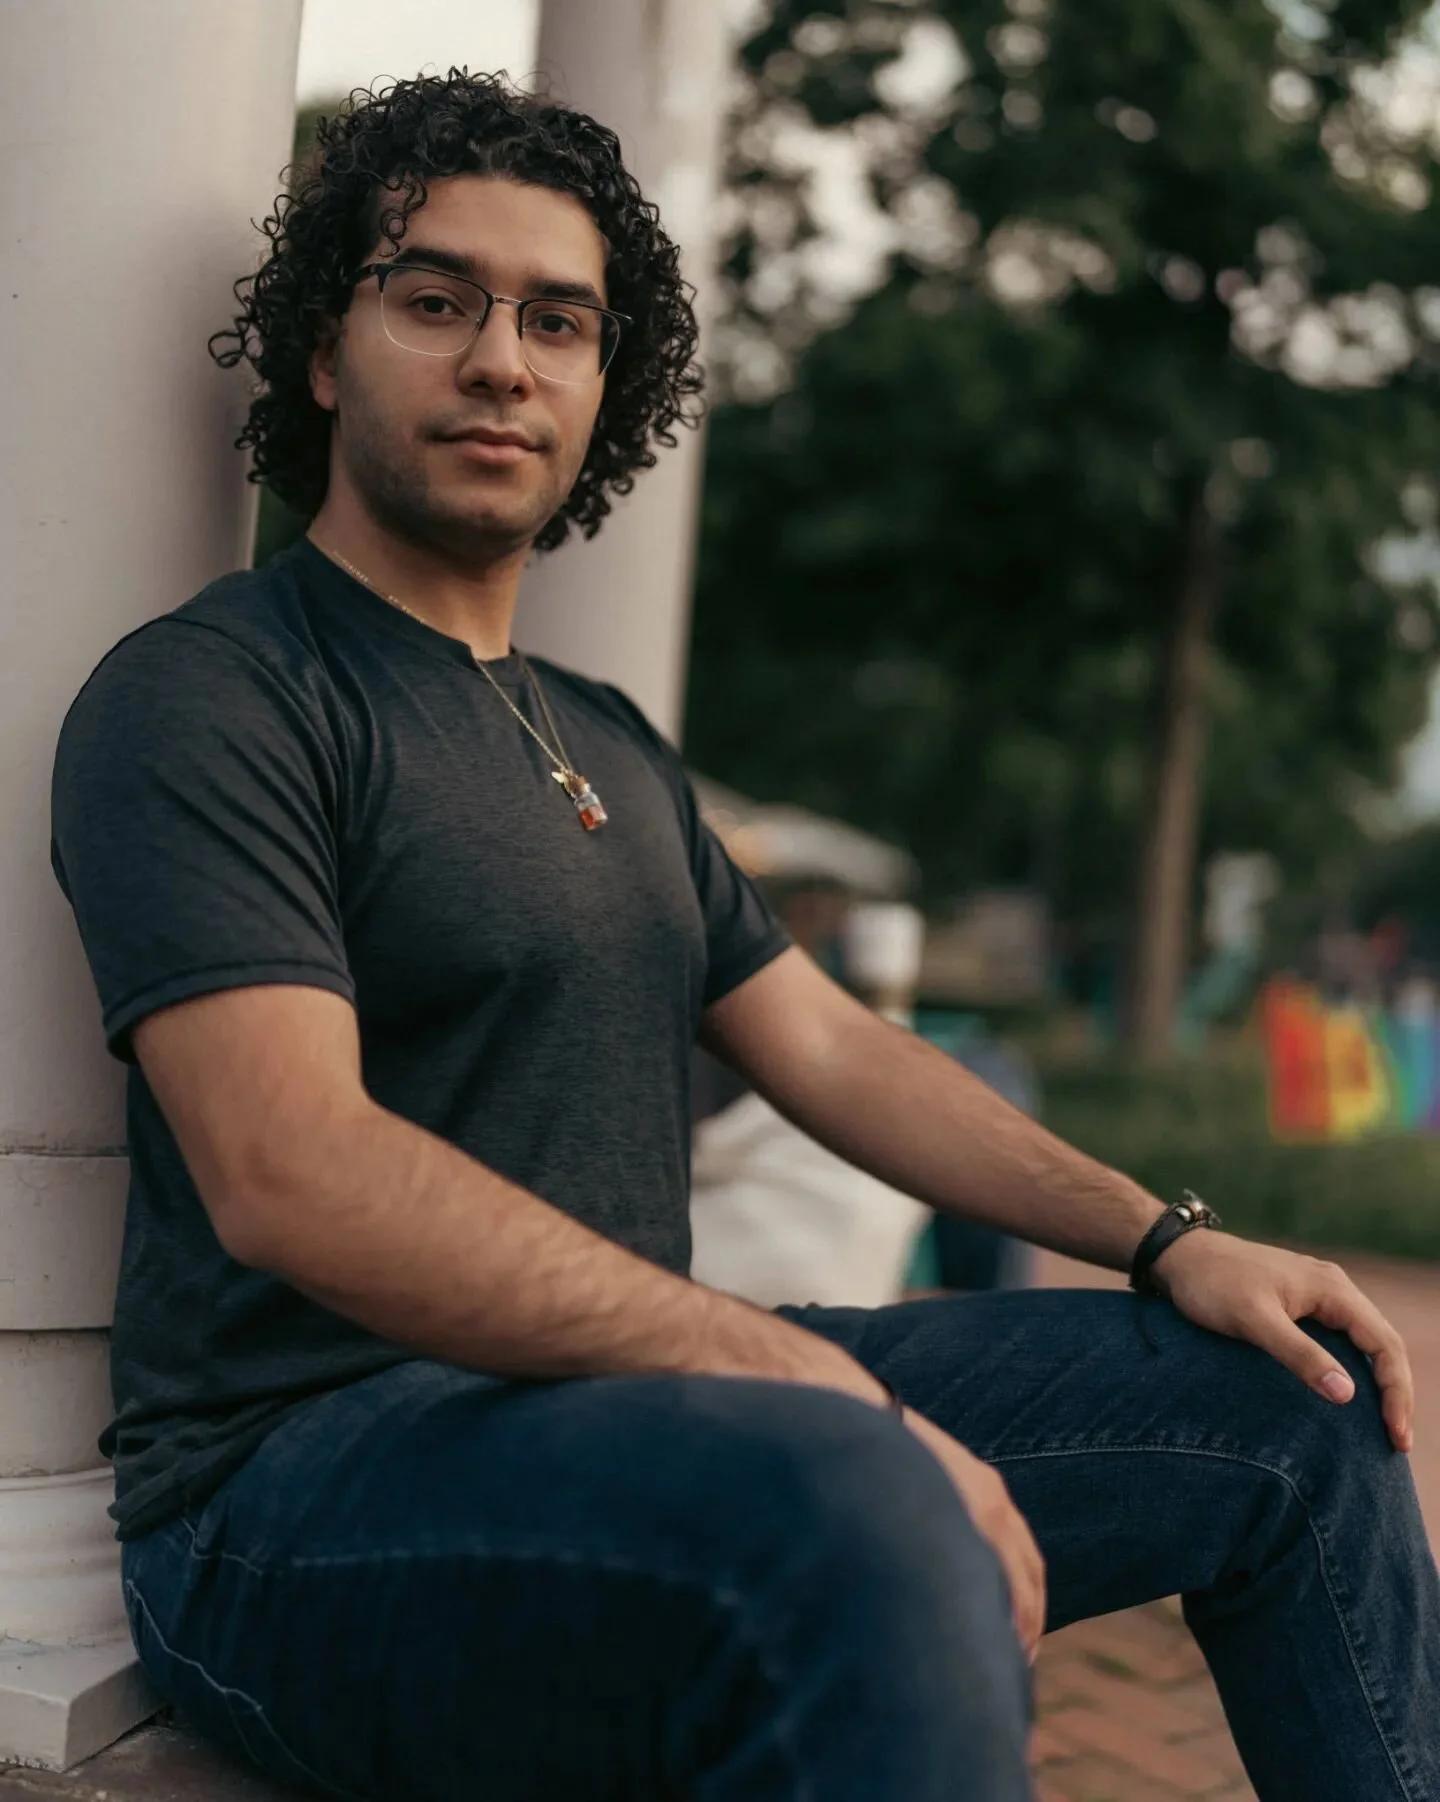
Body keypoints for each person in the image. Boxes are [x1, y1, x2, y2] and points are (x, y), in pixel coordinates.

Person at [49, 71, 1437, 1802]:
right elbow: (291, 1167)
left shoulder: (606, 734)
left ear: (601, 385)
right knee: (858, 1510)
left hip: (634, 1414)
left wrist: (1164, 1238)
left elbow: (837, 1048)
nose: (502, 359)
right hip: (302, 1486)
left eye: (559, 321)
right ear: (325, 350)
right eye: (436, 299)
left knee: (1292, 1407)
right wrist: (797, 1377)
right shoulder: (218, 692)